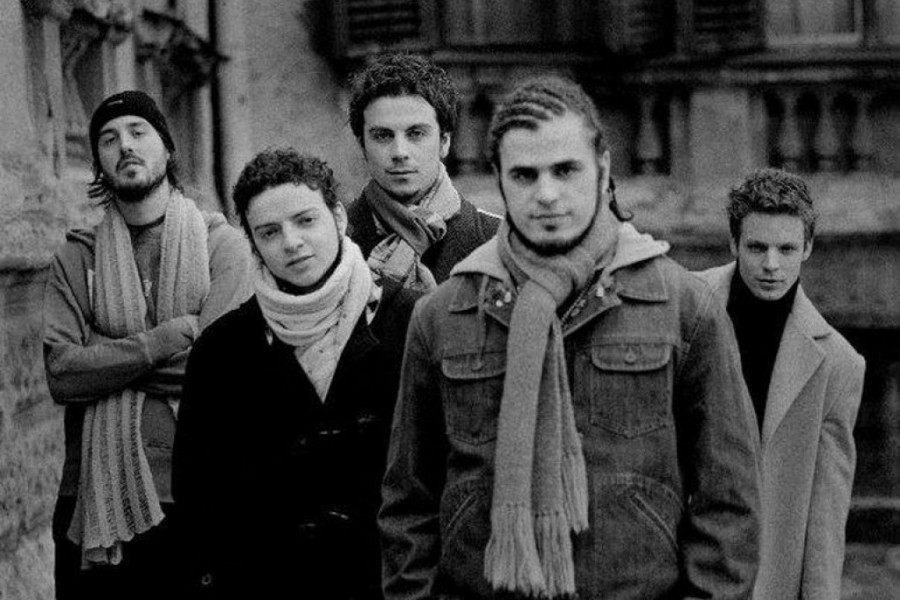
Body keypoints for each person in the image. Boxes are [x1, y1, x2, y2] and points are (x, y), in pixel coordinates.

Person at [379, 75, 761, 600]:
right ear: (499, 179)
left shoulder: (683, 307)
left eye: (565, 170)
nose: (546, 194)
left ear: (602, 168)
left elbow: (730, 501)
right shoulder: (442, 316)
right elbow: (408, 502)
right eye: (524, 175)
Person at [172, 149, 421, 599]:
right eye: (269, 232)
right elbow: (199, 496)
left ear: (338, 218)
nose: (291, 242)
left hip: (390, 584)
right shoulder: (222, 351)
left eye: (305, 221)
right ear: (253, 243)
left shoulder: (411, 324)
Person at [43, 90, 253, 599]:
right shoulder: (77, 256)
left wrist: (104, 356)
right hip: (90, 499)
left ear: (167, 147)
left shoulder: (221, 245)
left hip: (195, 492)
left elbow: (219, 374)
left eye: (139, 132)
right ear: (98, 161)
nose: (125, 146)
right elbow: (64, 374)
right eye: (109, 139)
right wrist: (165, 338)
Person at [696, 168, 865, 600]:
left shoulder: (839, 363)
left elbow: (826, 519)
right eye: (757, 247)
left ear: (807, 247)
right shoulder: (686, 305)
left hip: (767, 580)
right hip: (680, 562)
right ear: (733, 243)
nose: (771, 265)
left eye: (786, 249)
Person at [347, 52, 499, 291]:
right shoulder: (335, 240)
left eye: (416, 134)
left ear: (444, 142)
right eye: (383, 136)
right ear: (362, 146)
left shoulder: (496, 241)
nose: (399, 152)